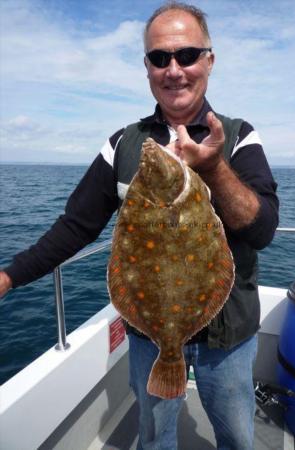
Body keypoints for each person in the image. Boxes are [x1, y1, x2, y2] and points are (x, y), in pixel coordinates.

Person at [0, 2, 279, 449]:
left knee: (238, 438)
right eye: (159, 58)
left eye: (187, 55)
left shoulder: (239, 135)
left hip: (229, 336)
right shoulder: (123, 144)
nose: (174, 69)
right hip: (151, 336)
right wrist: (9, 276)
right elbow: (76, 226)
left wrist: (215, 170)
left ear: (209, 60)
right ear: (147, 67)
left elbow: (262, 230)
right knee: (153, 437)